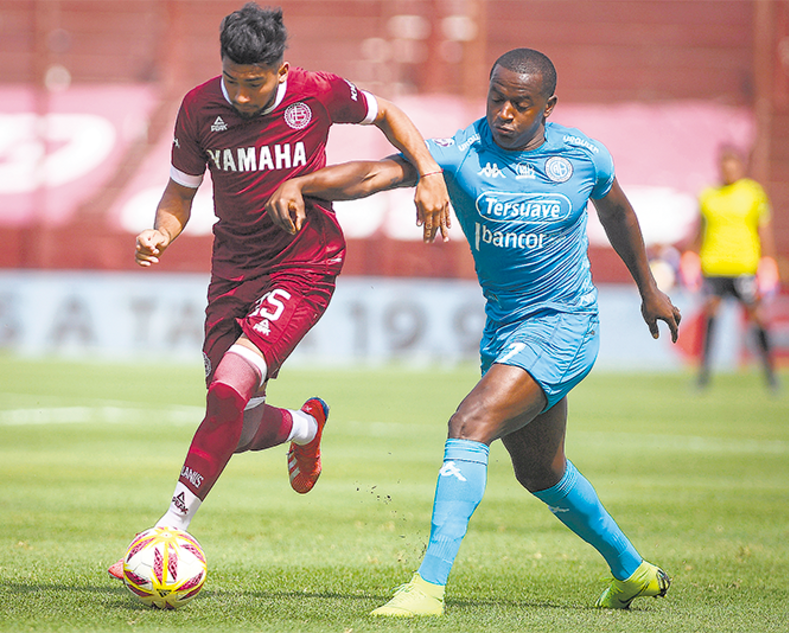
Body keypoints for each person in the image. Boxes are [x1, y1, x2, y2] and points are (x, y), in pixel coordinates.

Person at [266, 48, 681, 617]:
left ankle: (427, 588)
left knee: (469, 425)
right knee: (542, 471)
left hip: (565, 327)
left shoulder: (584, 157)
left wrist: (649, 289)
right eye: (497, 98)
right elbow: (376, 173)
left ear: (548, 108)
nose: (505, 113)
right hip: (506, 332)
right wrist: (304, 184)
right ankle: (631, 571)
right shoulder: (461, 153)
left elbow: (619, 214)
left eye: (521, 104)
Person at [107, 2, 449, 578]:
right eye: (233, 80)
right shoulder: (198, 108)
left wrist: (430, 172)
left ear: (282, 69)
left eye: (255, 83)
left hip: (304, 263)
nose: (241, 95)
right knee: (236, 425)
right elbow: (179, 193)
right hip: (233, 271)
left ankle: (168, 529)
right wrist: (160, 232)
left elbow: (387, 112)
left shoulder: (318, 92)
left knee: (227, 388)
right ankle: (306, 426)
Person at [680, 144, 780, 391]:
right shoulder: (708, 195)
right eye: (725, 165)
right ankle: (703, 376)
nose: (729, 170)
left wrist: (768, 262)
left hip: (744, 266)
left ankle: (771, 375)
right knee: (711, 317)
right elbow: (699, 232)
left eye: (734, 165)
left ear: (741, 166)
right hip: (714, 266)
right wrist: (690, 256)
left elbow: (764, 231)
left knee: (757, 316)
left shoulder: (753, 194)